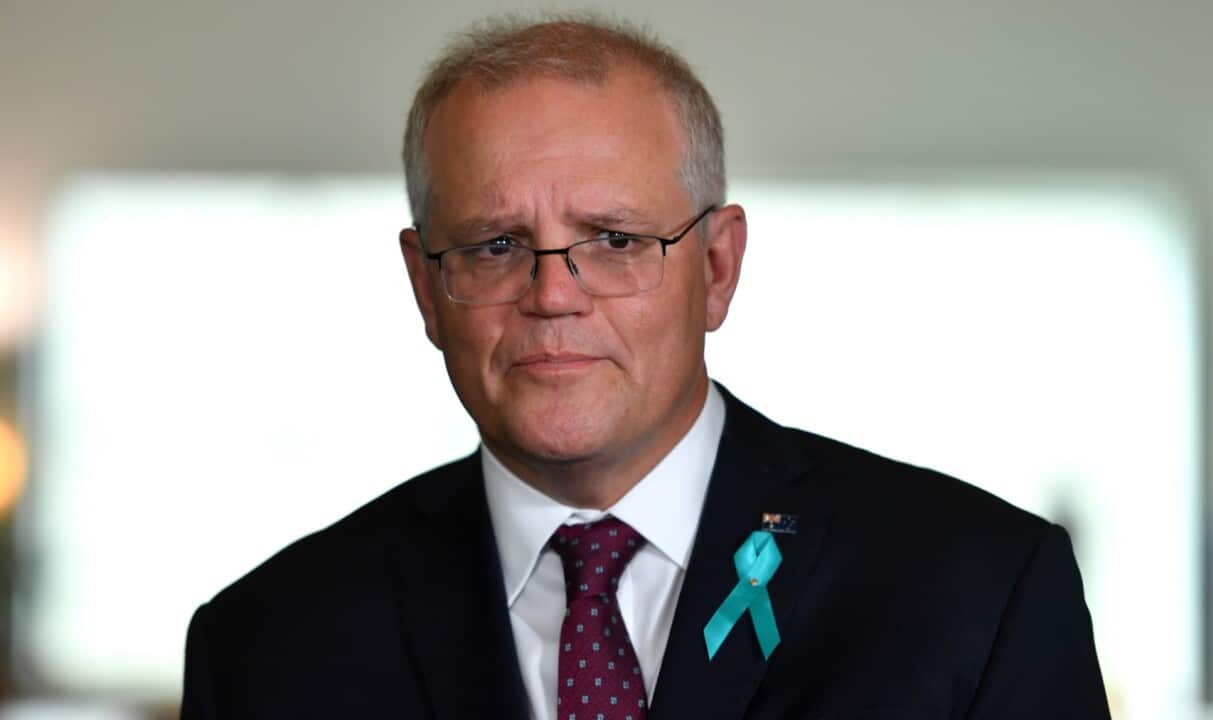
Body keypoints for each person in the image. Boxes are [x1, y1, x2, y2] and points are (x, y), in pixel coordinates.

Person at [180, 14, 1109, 720]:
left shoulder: (980, 592)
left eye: (615, 239)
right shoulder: (267, 645)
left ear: (716, 268)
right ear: (427, 289)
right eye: (497, 244)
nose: (553, 295)